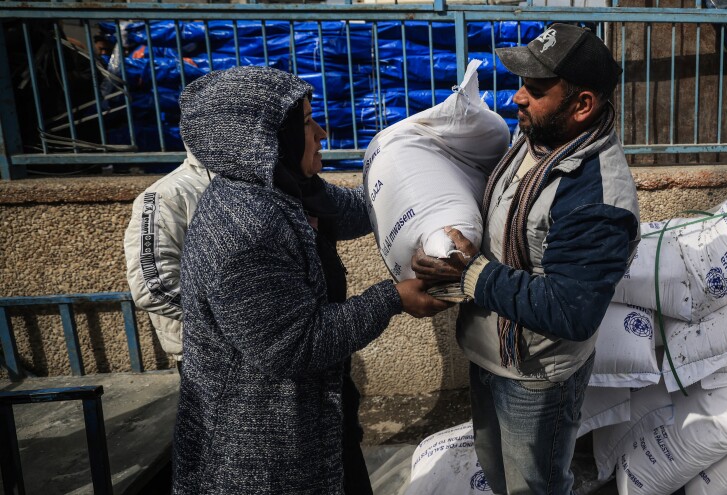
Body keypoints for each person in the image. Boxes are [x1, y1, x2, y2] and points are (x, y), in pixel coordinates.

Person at [172, 66, 450, 494]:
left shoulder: (288, 190)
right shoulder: (244, 228)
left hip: (316, 419)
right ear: (263, 140)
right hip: (265, 449)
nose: (321, 132)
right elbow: (294, 345)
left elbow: (362, 210)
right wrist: (392, 298)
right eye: (306, 123)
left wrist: (437, 198)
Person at [412, 23, 640, 495]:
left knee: (534, 487)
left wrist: (470, 273)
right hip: (490, 354)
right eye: (521, 85)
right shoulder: (536, 142)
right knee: (498, 477)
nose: (518, 98)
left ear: (582, 106)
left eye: (535, 90)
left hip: (534, 378)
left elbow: (571, 310)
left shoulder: (597, 198)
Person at [123, 150, 210, 364]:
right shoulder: (166, 194)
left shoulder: (273, 181)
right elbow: (153, 287)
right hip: (205, 353)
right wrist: (240, 318)